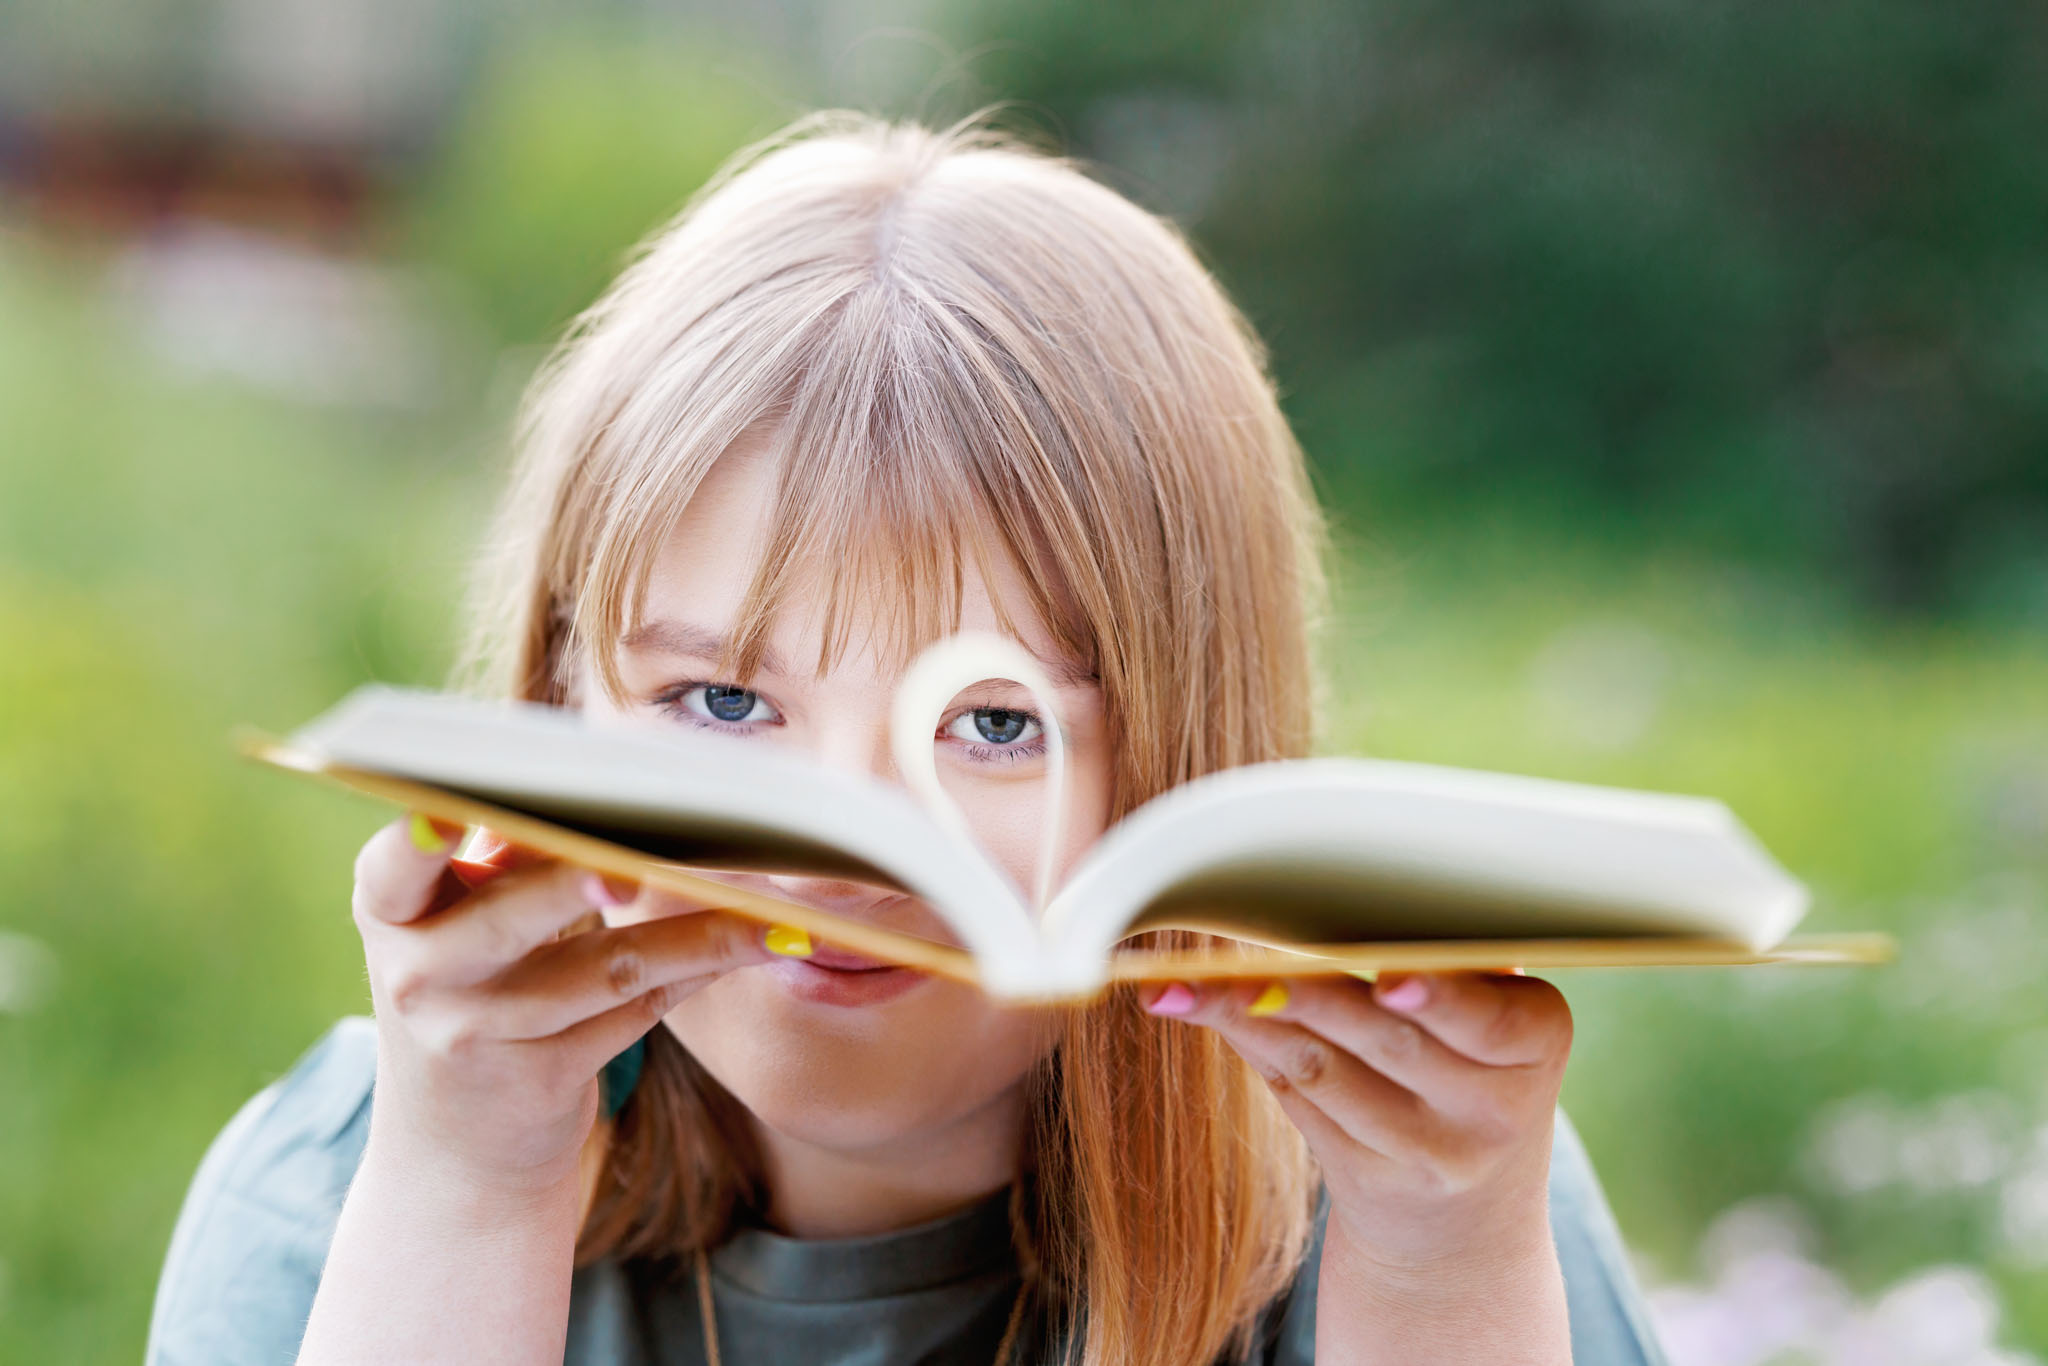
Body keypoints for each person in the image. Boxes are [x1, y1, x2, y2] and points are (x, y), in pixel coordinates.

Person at [145, 109, 1669, 1365]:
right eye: (725, 703)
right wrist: (473, 1187)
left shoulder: (1417, 1195)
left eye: (994, 724)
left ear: (1190, 764)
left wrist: (1436, 1275)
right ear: (561, 715)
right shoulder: (342, 1186)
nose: (844, 852)